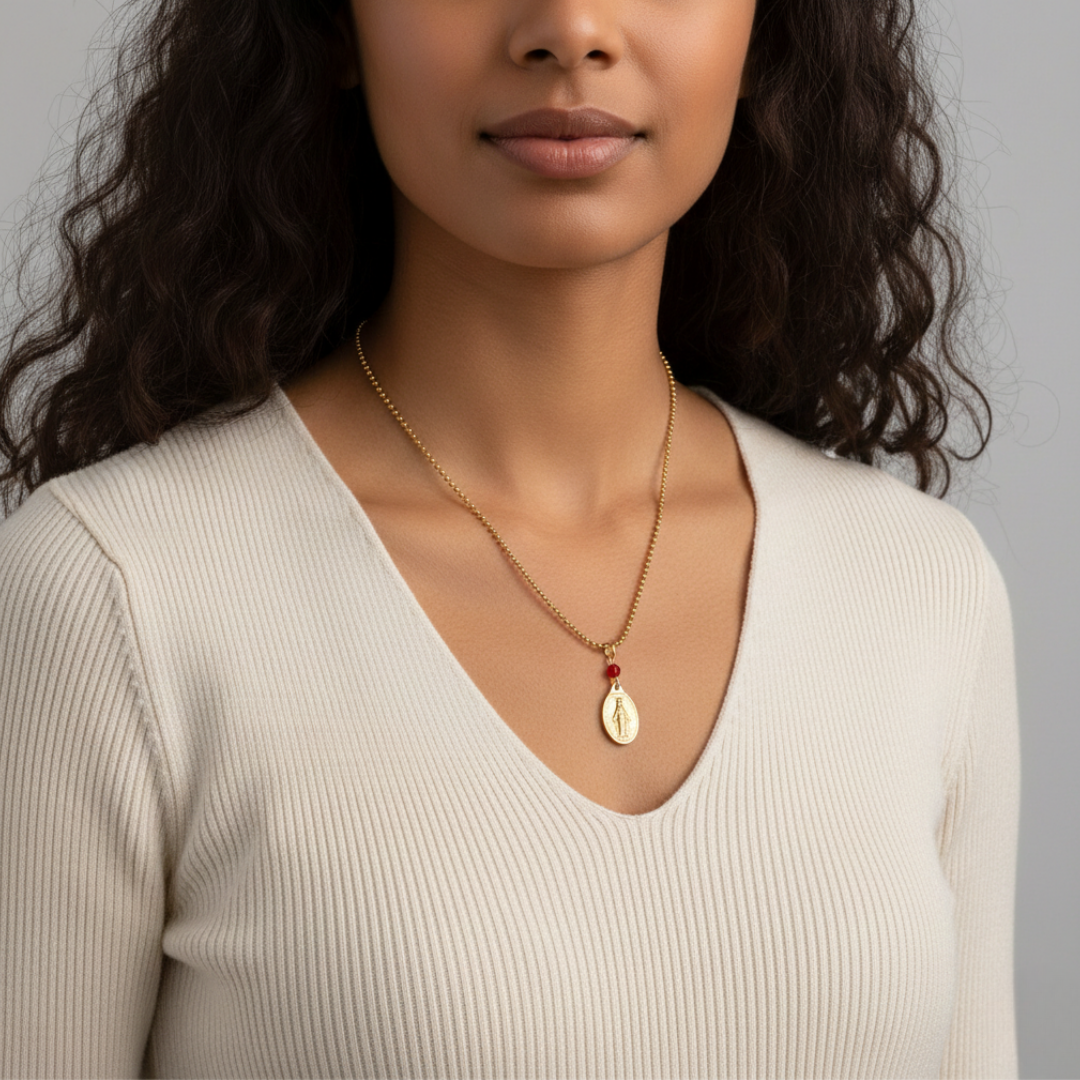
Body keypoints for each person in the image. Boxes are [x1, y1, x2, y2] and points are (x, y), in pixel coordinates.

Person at [0, 0, 1020, 1076]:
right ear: (334, 28)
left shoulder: (921, 587)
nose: (570, 29)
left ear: (765, 32)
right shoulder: (116, 594)